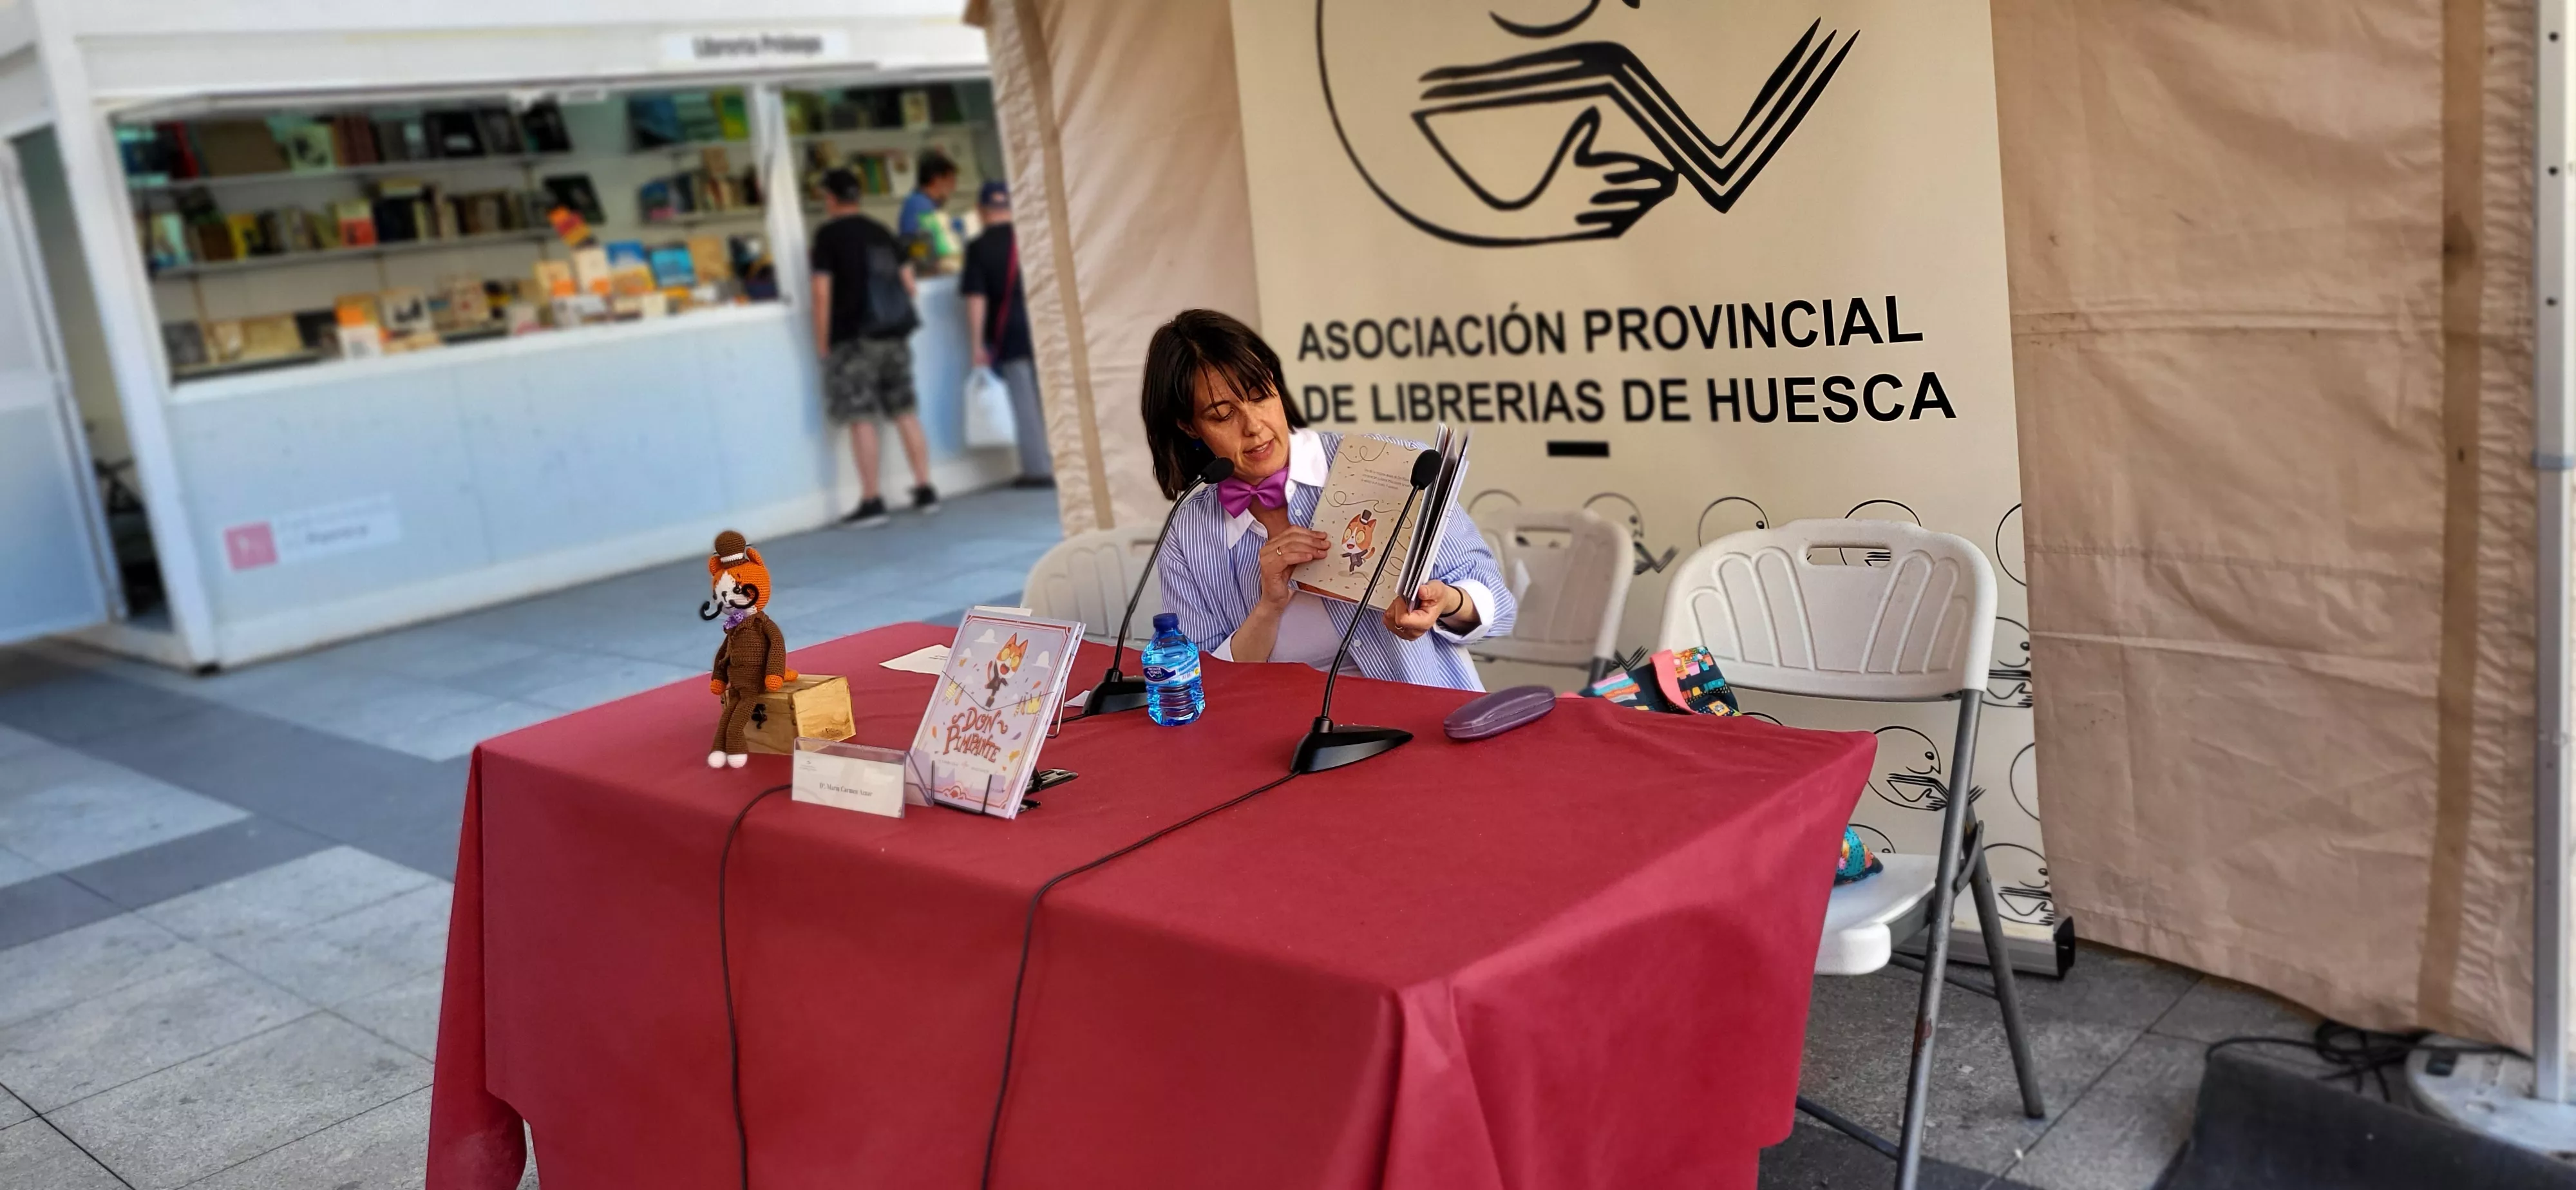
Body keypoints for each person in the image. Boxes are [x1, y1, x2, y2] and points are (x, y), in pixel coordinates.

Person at [1144, 309, 1513, 691]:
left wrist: (1447, 602)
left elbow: (1496, 603)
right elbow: (1202, 682)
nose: (1254, 426)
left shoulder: (1396, 468)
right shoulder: (1189, 532)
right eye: (1223, 415)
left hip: (1419, 713)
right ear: (1188, 426)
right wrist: (1268, 608)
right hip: (1287, 722)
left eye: (1260, 396)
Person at [809, 168, 938, 526]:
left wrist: (823, 344)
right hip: (893, 335)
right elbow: (909, 285)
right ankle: (925, 489)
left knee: (861, 417)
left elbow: (821, 293)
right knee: (905, 411)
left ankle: (872, 500)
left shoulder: (828, 236)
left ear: (830, 198)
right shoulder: (881, 231)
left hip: (853, 339)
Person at [960, 180, 1052, 488]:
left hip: (1009, 334)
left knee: (1025, 403)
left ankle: (1038, 469)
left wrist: (976, 344)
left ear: (981, 210)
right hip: (1043, 326)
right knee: (1053, 398)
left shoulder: (978, 247)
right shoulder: (1030, 240)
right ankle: (1064, 461)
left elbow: (976, 299)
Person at [897, 151, 961, 269]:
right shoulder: (920, 205)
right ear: (937, 180)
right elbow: (912, 247)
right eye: (951, 181)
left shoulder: (924, 203)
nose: (954, 187)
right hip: (926, 272)